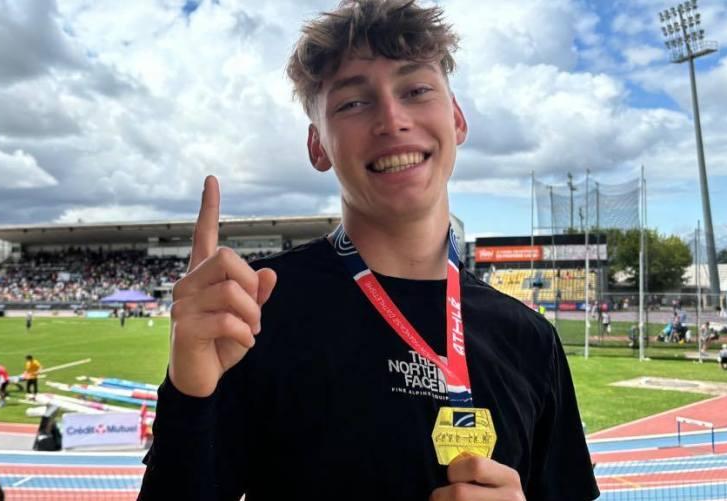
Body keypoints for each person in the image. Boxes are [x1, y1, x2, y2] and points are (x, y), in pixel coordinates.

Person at [138, 1, 598, 500]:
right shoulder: (254, 310)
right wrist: (190, 394)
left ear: (457, 119)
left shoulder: (530, 340)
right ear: (318, 146)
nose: (392, 120)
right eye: (353, 103)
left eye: (416, 90)